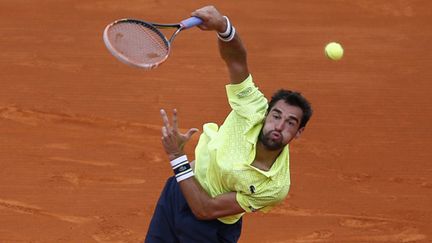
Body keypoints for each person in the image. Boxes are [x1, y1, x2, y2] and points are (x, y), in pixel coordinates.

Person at [145, 5, 313, 243]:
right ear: (266, 114)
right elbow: (237, 62)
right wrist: (223, 27)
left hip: (209, 227)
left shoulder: (276, 187)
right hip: (177, 192)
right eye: (276, 116)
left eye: (290, 122)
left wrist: (176, 155)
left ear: (298, 132)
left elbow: (206, 209)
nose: (279, 126)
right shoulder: (252, 109)